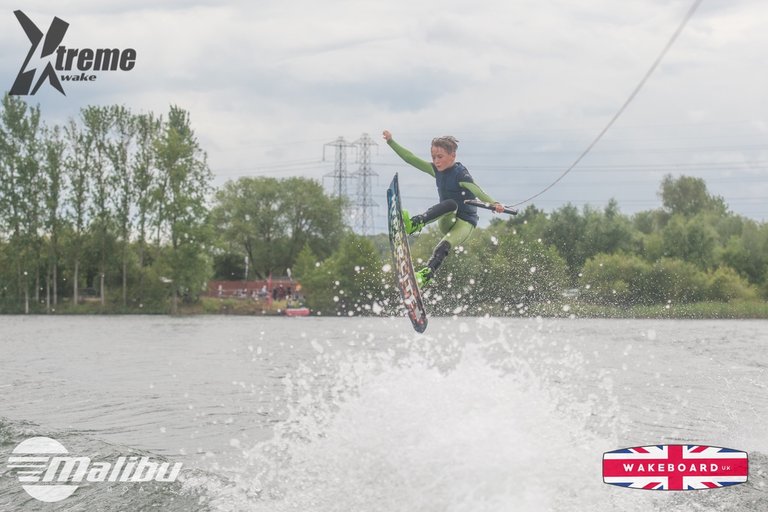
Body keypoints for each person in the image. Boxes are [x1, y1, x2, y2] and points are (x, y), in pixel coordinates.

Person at [383, 130, 505, 287]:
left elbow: (478, 192)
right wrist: (391, 141)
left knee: (443, 246)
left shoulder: (461, 175)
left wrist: (494, 204)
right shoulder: (436, 170)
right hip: (447, 219)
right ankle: (414, 224)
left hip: (465, 223)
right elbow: (410, 158)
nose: (436, 161)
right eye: (433, 157)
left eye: (440, 157)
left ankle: (425, 275)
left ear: (453, 155)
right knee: (450, 204)